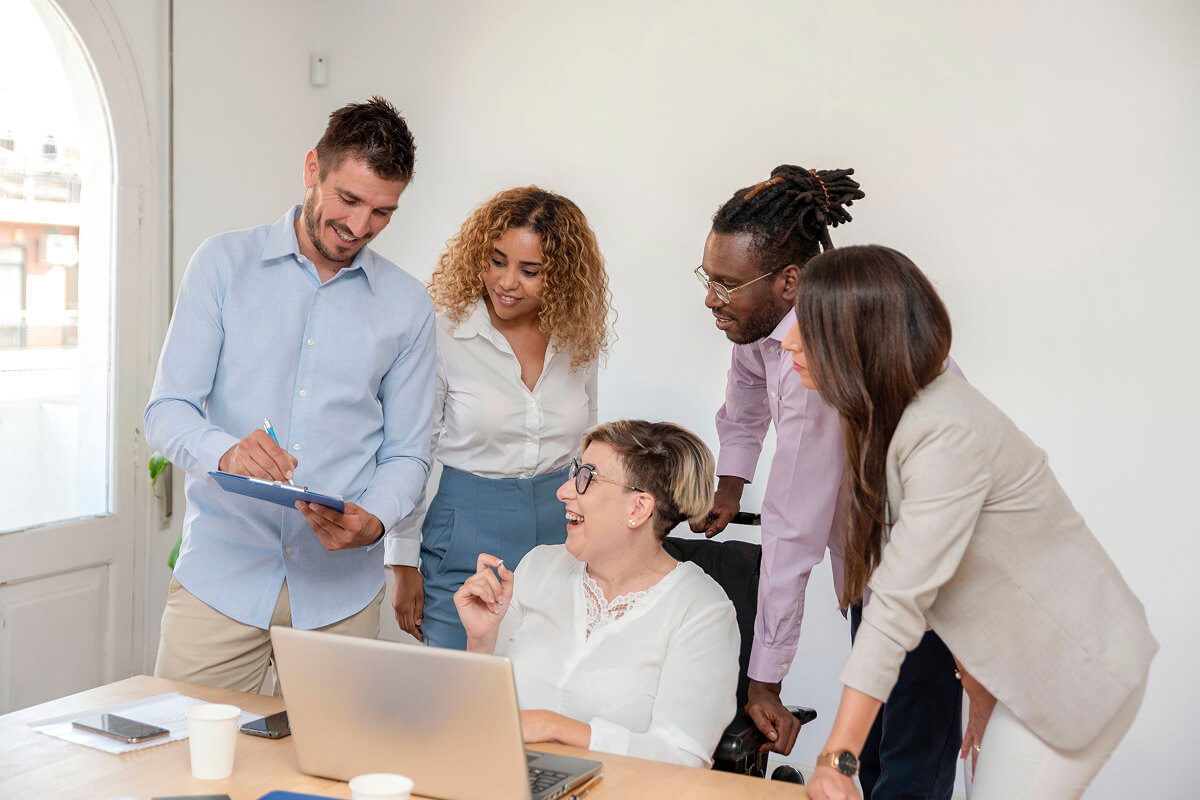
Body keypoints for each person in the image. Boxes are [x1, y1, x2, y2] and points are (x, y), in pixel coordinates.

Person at [783, 245, 1157, 800]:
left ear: (861, 339)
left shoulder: (943, 434)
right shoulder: (893, 419)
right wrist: (979, 688)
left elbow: (897, 602)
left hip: (1074, 669)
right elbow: (949, 578)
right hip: (1018, 667)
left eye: (808, 331)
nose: (789, 343)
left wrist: (838, 760)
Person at [144, 97, 435, 691]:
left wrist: (375, 521)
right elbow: (167, 412)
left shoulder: (408, 307)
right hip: (220, 583)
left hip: (342, 596)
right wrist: (223, 451)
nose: (359, 227)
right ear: (312, 169)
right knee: (184, 772)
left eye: (383, 212)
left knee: (338, 776)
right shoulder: (222, 265)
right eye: (349, 200)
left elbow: (408, 452)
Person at [694, 164, 963, 798]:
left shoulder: (817, 360)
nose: (711, 298)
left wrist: (764, 682)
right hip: (879, 562)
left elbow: (792, 537)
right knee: (873, 756)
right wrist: (732, 484)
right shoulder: (768, 325)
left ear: (789, 282)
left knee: (906, 768)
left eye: (728, 284)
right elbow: (746, 401)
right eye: (707, 278)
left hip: (926, 579)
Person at [385, 187, 611, 649]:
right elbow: (413, 449)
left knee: (542, 686)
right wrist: (403, 560)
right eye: (497, 261)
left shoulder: (576, 339)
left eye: (530, 271)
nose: (507, 282)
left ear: (563, 275)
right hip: (465, 525)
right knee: (459, 690)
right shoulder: (445, 334)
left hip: (559, 528)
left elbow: (587, 445)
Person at [453, 420, 740, 768]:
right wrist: (481, 641)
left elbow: (683, 757)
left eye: (587, 477)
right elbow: (479, 721)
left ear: (638, 509)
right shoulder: (536, 568)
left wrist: (554, 727)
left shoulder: (702, 611)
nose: (564, 492)